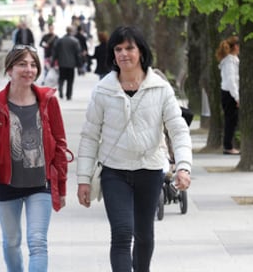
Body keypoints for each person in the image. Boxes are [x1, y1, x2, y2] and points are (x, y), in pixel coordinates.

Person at [76, 26, 192, 272]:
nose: (123, 54)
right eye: (118, 49)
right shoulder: (103, 90)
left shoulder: (161, 88)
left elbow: (178, 130)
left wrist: (183, 166)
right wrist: (83, 179)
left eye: (129, 48)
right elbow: (89, 136)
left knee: (144, 235)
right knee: (121, 232)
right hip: (114, 172)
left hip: (149, 170)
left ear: (141, 51)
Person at [0, 45, 72, 272]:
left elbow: (60, 147)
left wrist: (61, 187)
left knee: (37, 242)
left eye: (33, 64)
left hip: (40, 184)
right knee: (12, 242)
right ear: (9, 69)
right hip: (6, 185)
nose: (29, 69)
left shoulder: (48, 101)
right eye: (22, 64)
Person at [215, 35, 240, 155]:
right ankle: (228, 146)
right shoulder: (230, 61)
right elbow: (231, 81)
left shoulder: (232, 60)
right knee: (231, 120)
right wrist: (236, 97)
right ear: (235, 46)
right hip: (229, 93)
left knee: (232, 120)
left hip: (229, 92)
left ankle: (229, 144)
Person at [51, 26, 82, 100]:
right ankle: (68, 95)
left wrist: (53, 61)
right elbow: (78, 54)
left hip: (62, 63)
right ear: (71, 31)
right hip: (71, 64)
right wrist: (79, 65)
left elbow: (55, 52)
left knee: (61, 78)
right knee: (70, 80)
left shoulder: (60, 40)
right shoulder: (75, 41)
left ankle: (61, 89)